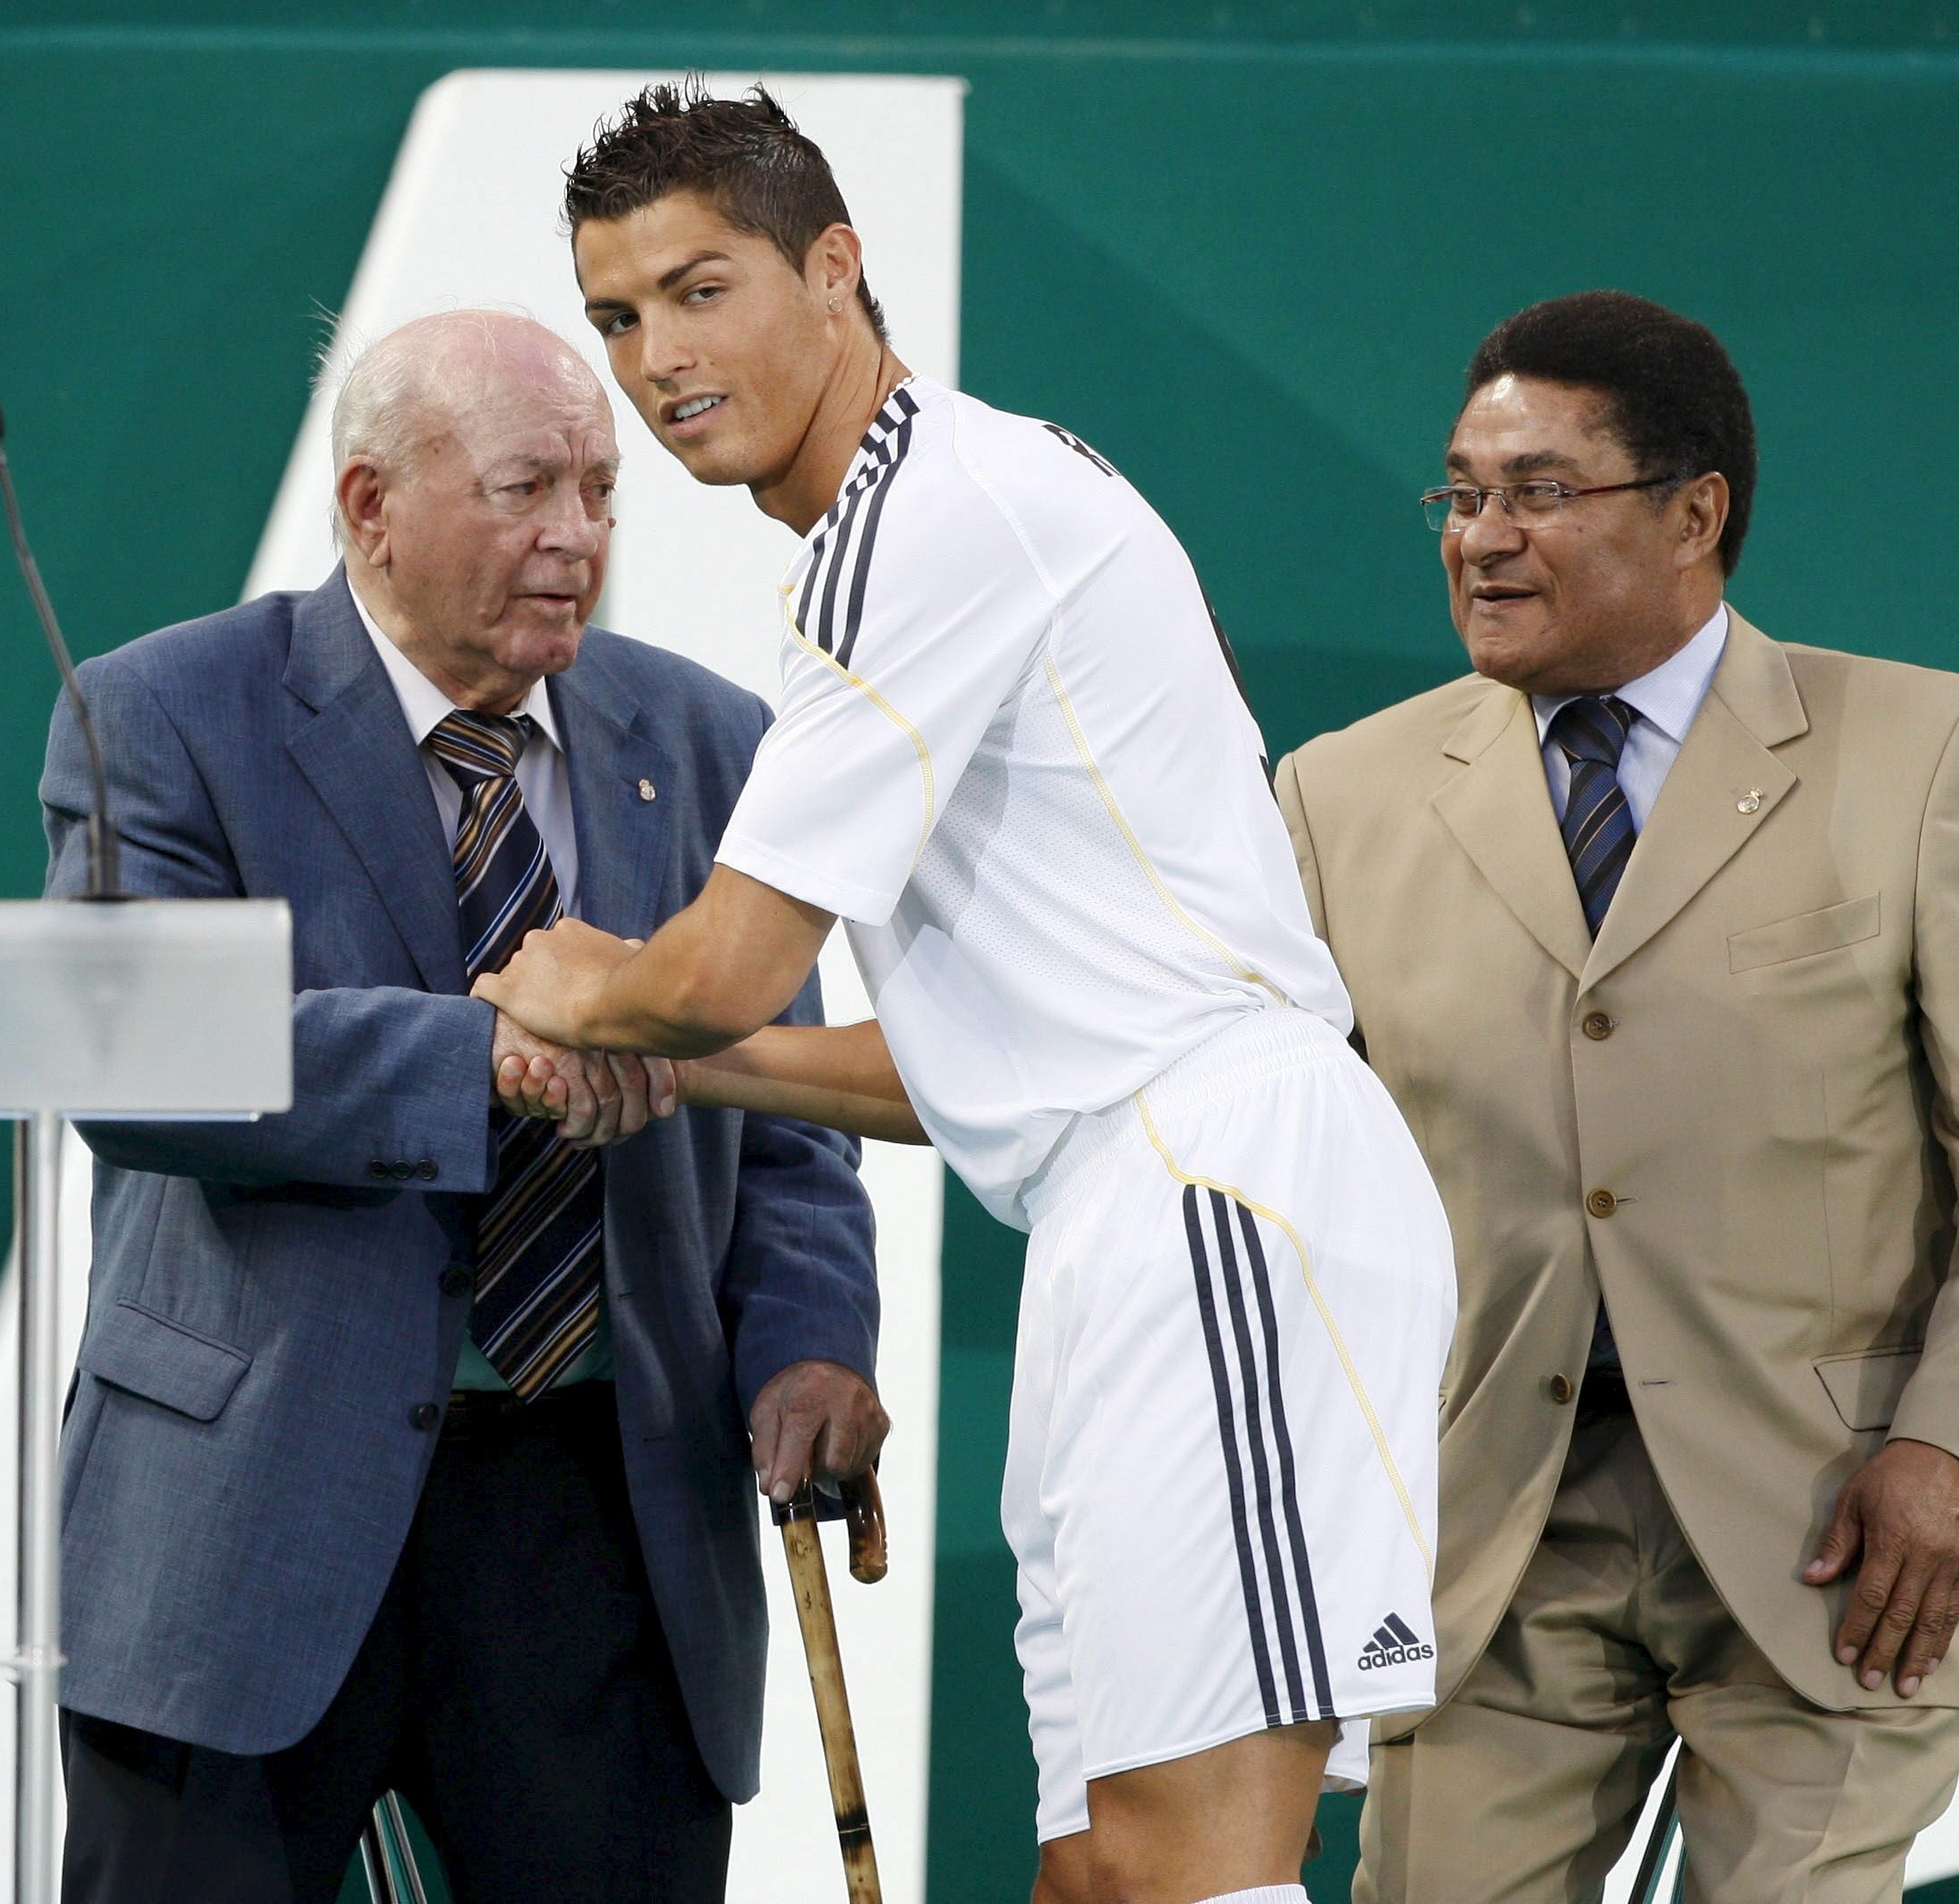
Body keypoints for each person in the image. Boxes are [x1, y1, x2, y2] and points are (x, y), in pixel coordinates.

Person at [478, 84, 1455, 1904]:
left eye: (701, 291)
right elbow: (960, 1074)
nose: (657, 358)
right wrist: (682, 1068)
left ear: (836, 268)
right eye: (618, 317)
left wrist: (561, 986)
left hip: (1220, 1200)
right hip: (1126, 1199)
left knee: (1187, 1866)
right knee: (1097, 1871)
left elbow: (719, 970)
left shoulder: (924, 522)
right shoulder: (942, 511)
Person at [39, 308, 885, 1904]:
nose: (576, 536)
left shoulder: (713, 741)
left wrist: (809, 1339)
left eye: (599, 489)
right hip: (246, 1521)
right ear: (369, 504)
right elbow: (137, 1051)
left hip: (602, 1517)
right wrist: (479, 1056)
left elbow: (787, 1127)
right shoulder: (157, 715)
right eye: (523, 490)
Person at [1272, 290, 1959, 1901]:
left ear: (1693, 514)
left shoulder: (1930, 751)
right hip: (1492, 1535)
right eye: (1458, 492)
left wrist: (1953, 1450)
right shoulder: (1337, 793)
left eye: (1536, 492)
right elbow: (1284, 1171)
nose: (1478, 537)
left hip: (1847, 1537)